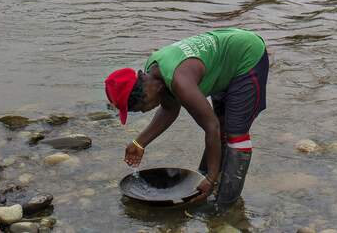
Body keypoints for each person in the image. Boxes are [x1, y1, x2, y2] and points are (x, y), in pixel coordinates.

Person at [104, 28, 269, 206]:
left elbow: (211, 126)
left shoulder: (180, 82)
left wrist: (211, 178)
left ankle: (226, 205)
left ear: (145, 91)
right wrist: (139, 143)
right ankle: (206, 182)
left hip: (247, 56)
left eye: (140, 108)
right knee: (222, 127)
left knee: (235, 133)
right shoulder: (154, 73)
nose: (144, 112)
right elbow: (169, 109)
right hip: (225, 62)